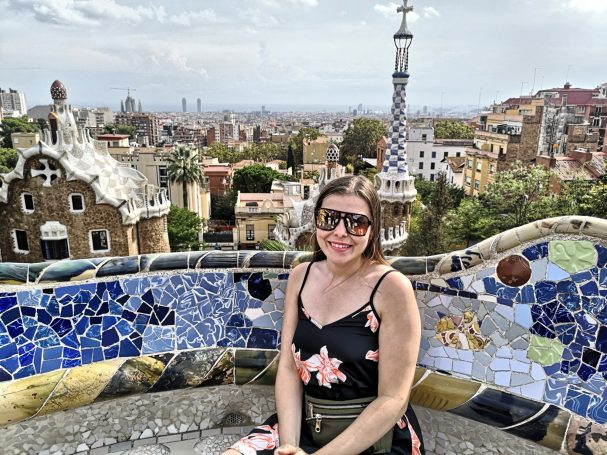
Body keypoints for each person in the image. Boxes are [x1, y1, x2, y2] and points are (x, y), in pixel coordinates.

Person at [223, 175, 423, 455]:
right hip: (307, 423)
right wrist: (289, 446)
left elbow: (393, 399)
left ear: (373, 229)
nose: (340, 232)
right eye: (329, 218)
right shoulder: (301, 277)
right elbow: (290, 368)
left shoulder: (391, 288)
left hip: (373, 437)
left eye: (356, 222)